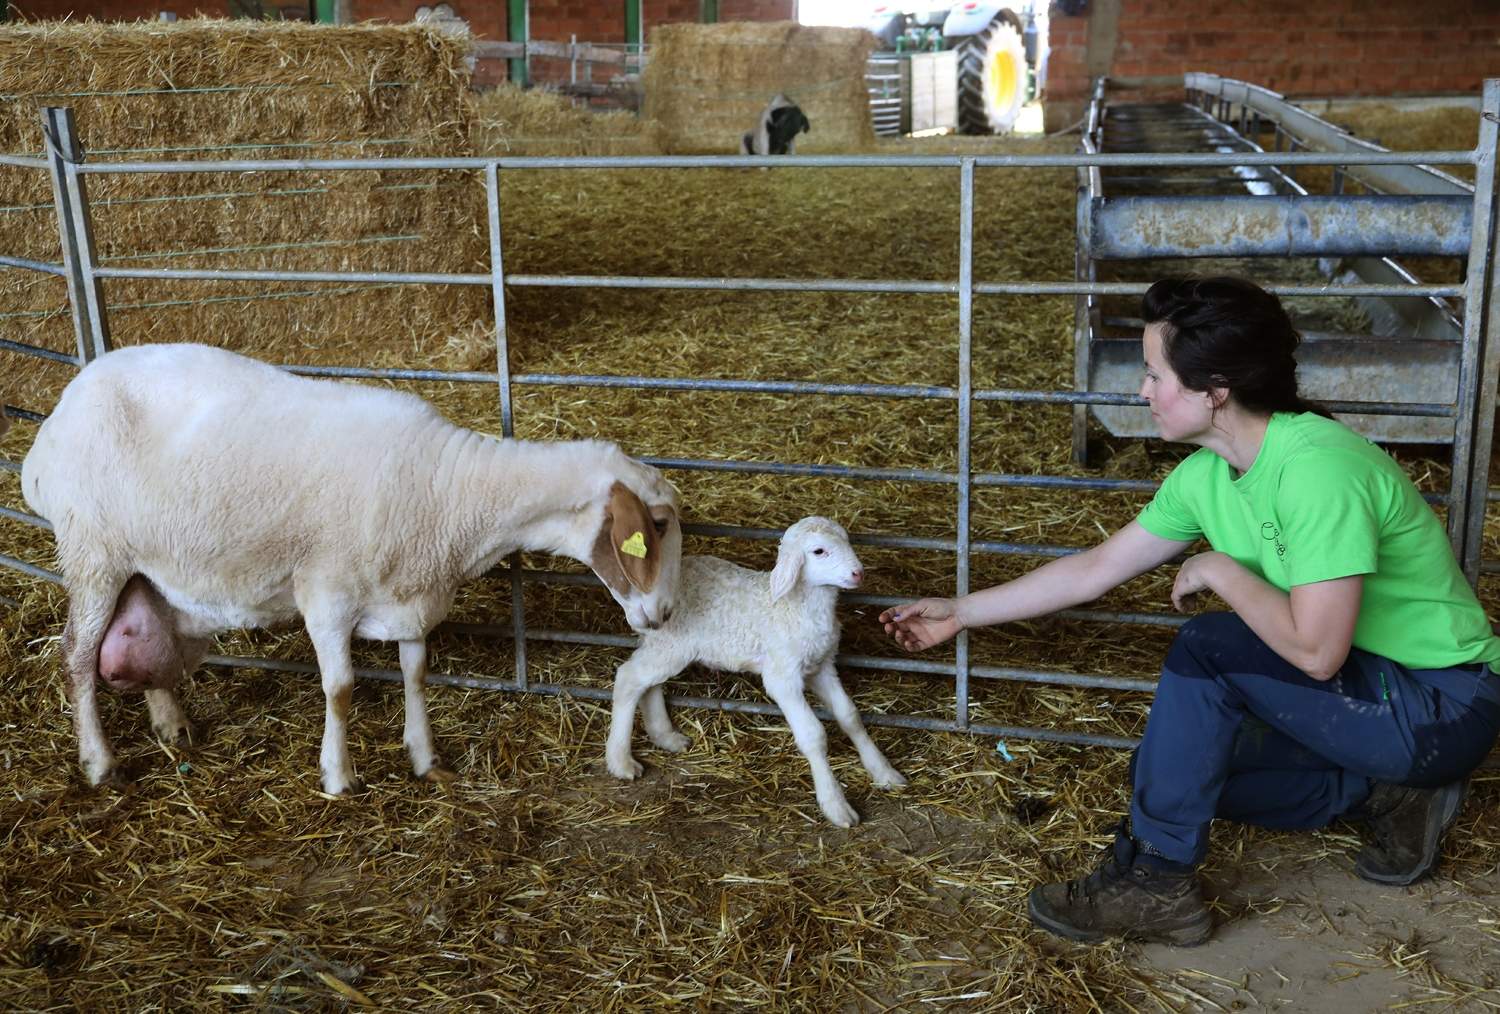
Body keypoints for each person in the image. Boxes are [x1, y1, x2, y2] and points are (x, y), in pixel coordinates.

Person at [880, 276, 1500, 947]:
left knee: (1208, 644)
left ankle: (1157, 882)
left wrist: (1222, 571)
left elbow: (1318, 652)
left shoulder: (1318, 469)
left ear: (1214, 390)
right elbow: (1096, 570)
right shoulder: (1206, 476)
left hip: (1444, 702)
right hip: (1365, 703)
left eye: (1154, 374)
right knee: (1170, 770)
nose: (1142, 391)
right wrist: (961, 611)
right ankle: (1387, 792)